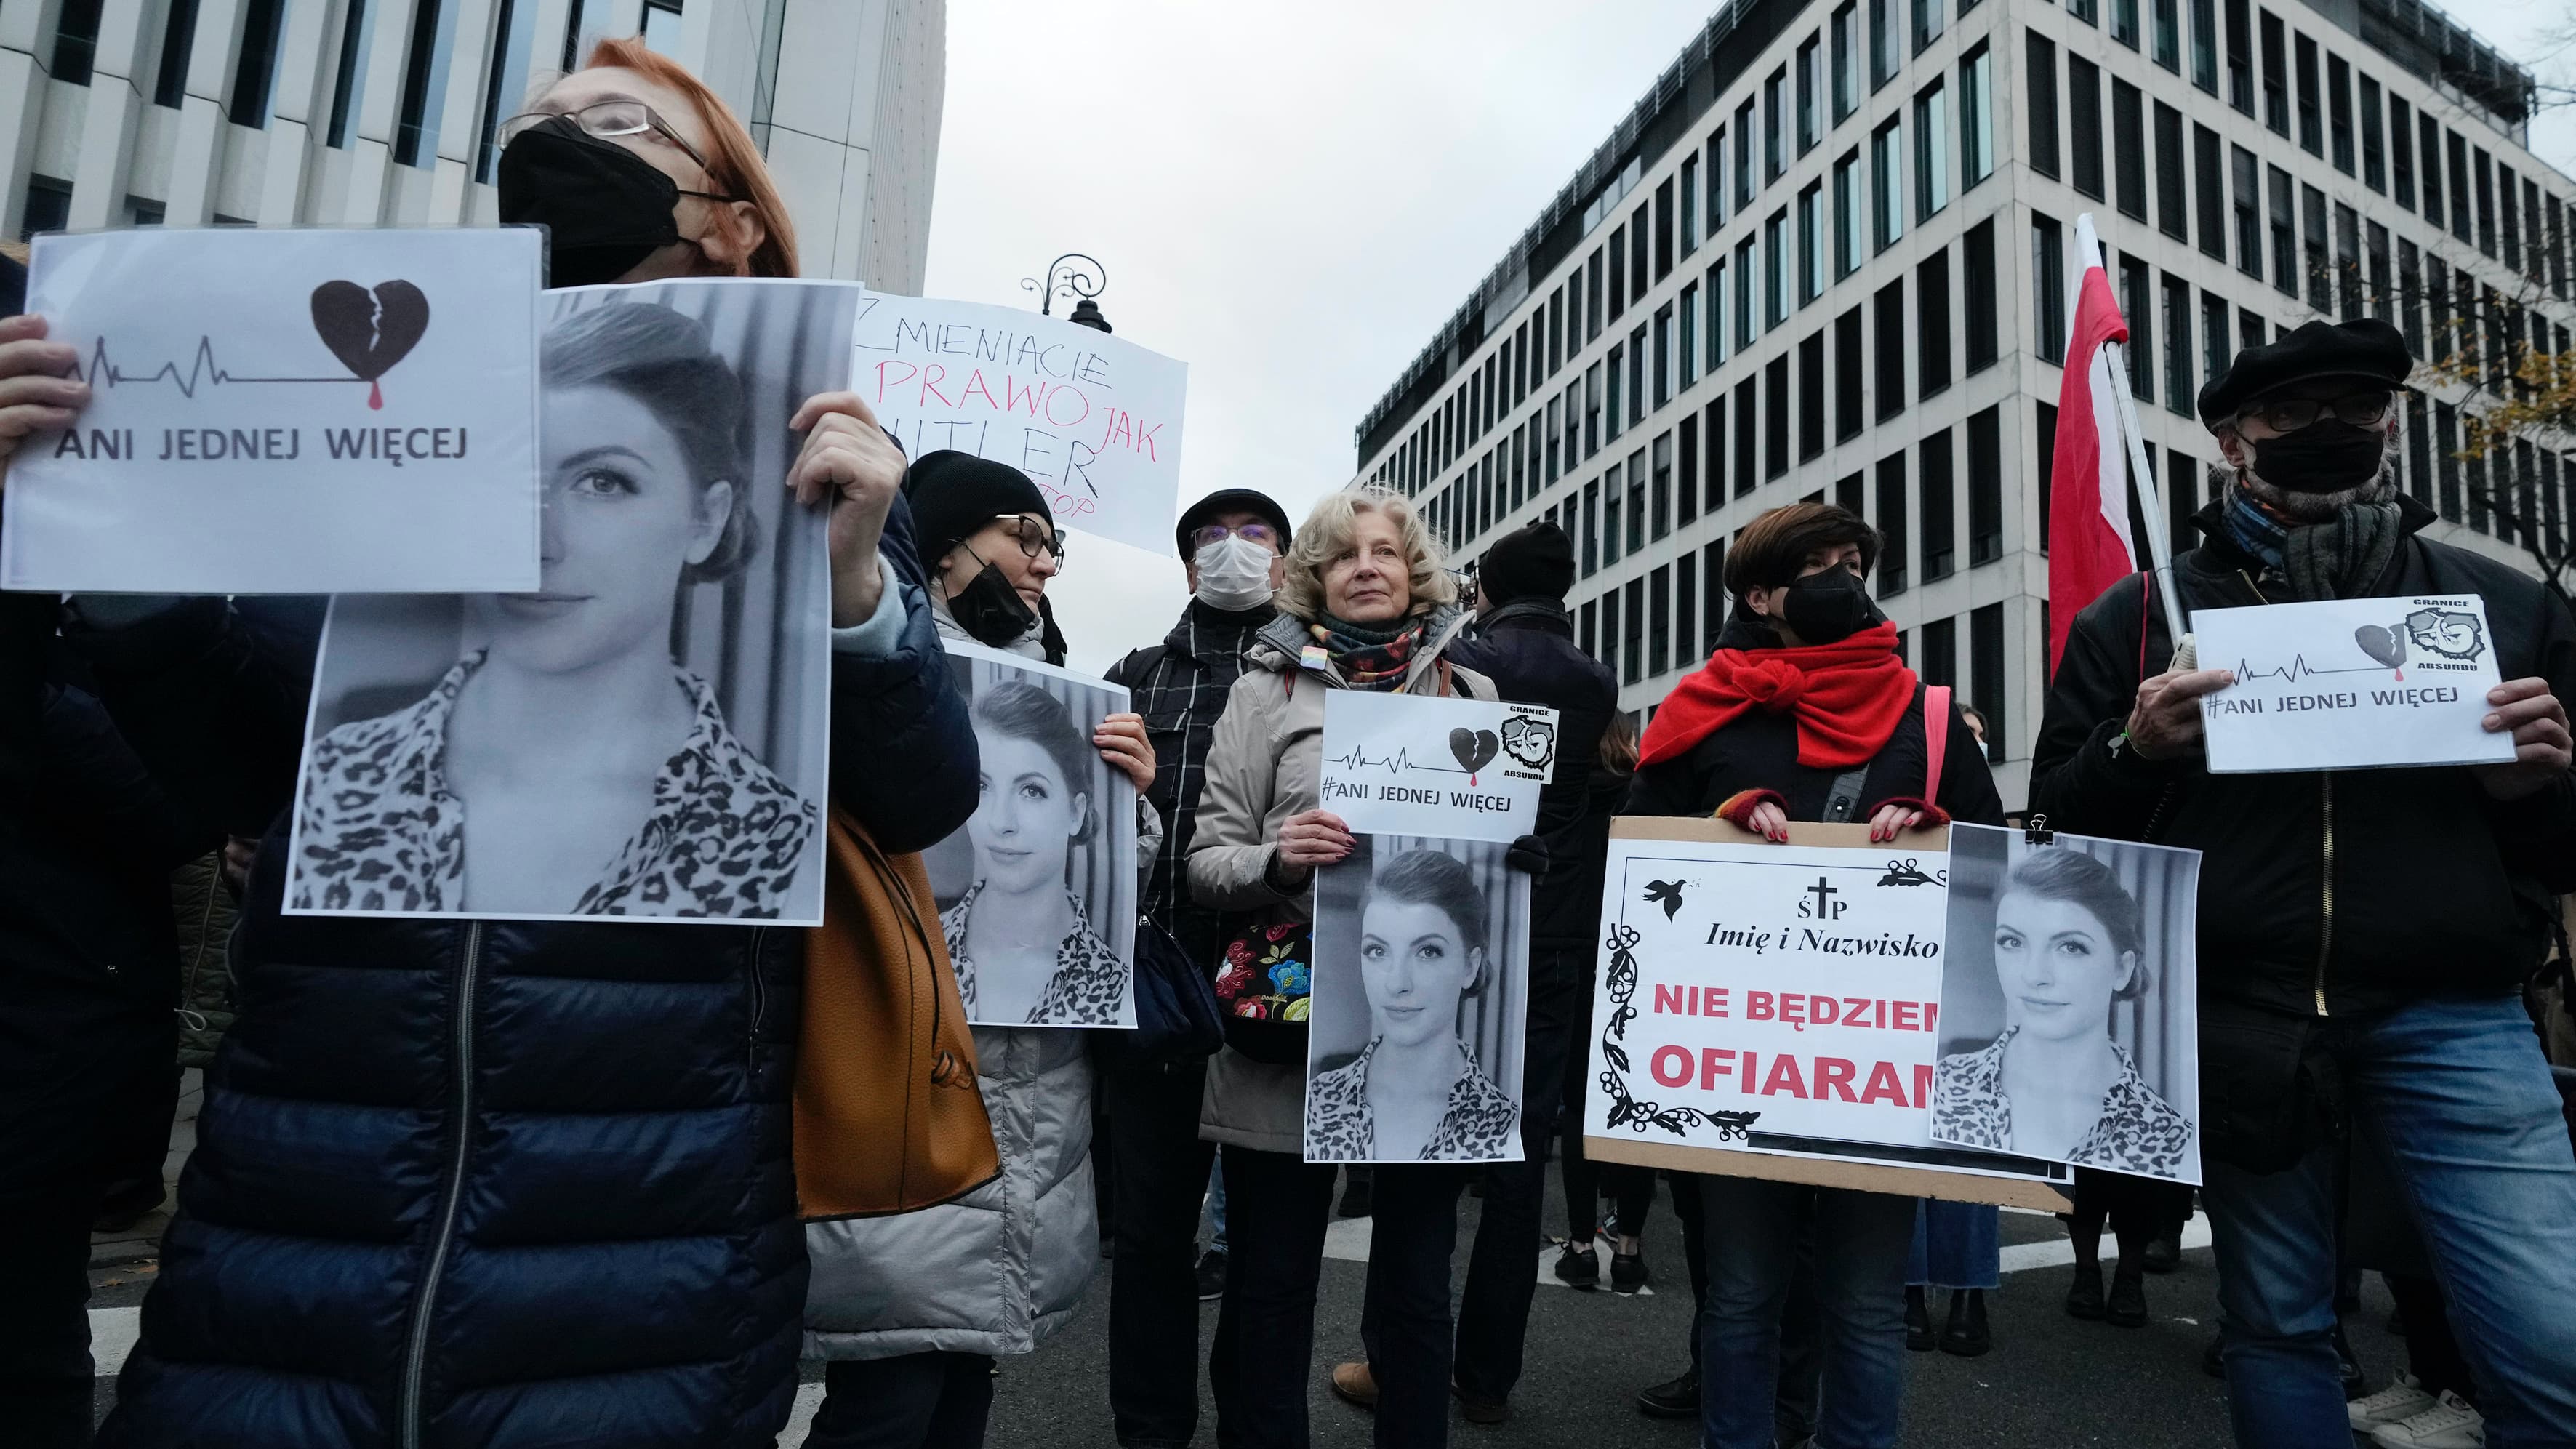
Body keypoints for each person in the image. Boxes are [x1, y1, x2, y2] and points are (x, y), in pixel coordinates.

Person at [12, 39, 982, 1448]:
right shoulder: (364, 425)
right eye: (534, 123)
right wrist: (109, 553)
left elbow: (921, 796)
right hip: (291, 1237)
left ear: (729, 216)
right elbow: (225, 776)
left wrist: (852, 600)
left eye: (612, 124)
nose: (555, 139)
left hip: (648, 1268)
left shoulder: (822, 462)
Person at [2030, 316, 2576, 1448]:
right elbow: (2062, 830)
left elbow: (2562, 848)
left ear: (2391, 426)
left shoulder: (2502, 607)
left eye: (2357, 409)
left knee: (2547, 1335)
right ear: (2232, 440)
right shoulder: (2135, 620)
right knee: (2275, 1325)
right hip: (2240, 1015)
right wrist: (2136, 751)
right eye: (2291, 415)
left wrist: (2534, 791)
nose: (2329, 430)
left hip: (2453, 1015)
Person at [1627, 501, 2005, 1449]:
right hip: (1734, 1064)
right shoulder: (1697, 711)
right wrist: (1715, 824)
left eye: (1852, 560)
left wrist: (1934, 832)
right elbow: (1627, 863)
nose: (1842, 576)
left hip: (1875, 1063)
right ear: (1759, 595)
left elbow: (2000, 867)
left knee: (1865, 1307)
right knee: (1743, 1295)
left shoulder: (1924, 711)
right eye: (1816, 564)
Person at [799, 449, 1155, 1449]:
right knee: (892, 1382)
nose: (1043, 564)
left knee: (962, 1376)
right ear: (946, 545)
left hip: (1035, 1080)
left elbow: (1106, 902)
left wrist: (1130, 801)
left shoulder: (1063, 690)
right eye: (1023, 535)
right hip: (909, 1061)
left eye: (1053, 544)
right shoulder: (862, 665)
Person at [291, 300, 818, 917]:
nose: (537, 545)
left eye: (603, 482)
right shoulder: (330, 780)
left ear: (707, 519)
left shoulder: (780, 845)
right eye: (515, 481)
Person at [1187, 485, 1501, 1448]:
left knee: (1413, 1286)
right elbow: (1205, 860)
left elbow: (1493, 872)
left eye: (1385, 550)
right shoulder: (1262, 690)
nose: (1365, 565)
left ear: (1416, 572)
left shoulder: (1475, 698)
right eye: (1341, 555)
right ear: (1314, 581)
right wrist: (1278, 858)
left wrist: (1508, 858)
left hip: (1421, 1042)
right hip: (1289, 1031)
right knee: (1271, 1282)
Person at [1099, 488, 1293, 1449]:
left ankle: (1254, 1428)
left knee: (1267, 1252)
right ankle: (1150, 1427)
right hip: (1163, 1003)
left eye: (1253, 535)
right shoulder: (1130, 679)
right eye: (1211, 538)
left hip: (1281, 1009)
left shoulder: (1332, 686)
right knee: (1149, 1243)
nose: (1231, 550)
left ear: (1286, 564)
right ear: (1185, 568)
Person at [1438, 519, 1622, 1419]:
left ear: (1488, 586)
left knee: (1422, 1140)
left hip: (1455, 922)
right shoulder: (1595, 678)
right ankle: (1487, 1378)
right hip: (1549, 934)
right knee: (1520, 1159)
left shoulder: (1464, 658)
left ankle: (1401, 1356)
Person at [1933, 848, 2194, 1175]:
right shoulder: (1940, 1087)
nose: (2035, 976)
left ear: (2122, 969)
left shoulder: (2170, 1139)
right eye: (2012, 942)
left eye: (2071, 947)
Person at [1304, 848, 1519, 1161]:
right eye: (1377, 951)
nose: (1397, 983)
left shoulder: (1499, 1119)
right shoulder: (1321, 1099)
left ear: (1470, 967)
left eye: (1428, 952)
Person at [944, 681, 1128, 1024]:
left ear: (1076, 813)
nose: (1001, 822)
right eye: (981, 787)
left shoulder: (1114, 984)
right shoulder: (923, 950)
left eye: (1031, 790)